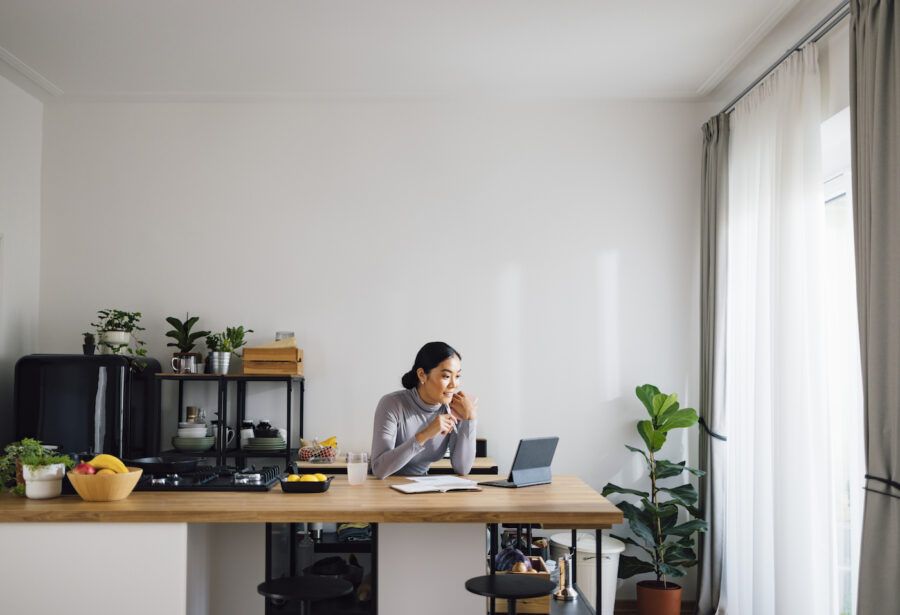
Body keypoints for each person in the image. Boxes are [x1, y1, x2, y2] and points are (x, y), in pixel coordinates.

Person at [370, 341, 478, 478]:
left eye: (457, 376)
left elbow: (462, 468)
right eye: (446, 376)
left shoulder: (453, 409)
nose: (454, 384)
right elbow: (379, 469)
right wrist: (425, 434)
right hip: (384, 489)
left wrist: (470, 419)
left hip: (422, 490)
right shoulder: (392, 404)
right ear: (422, 375)